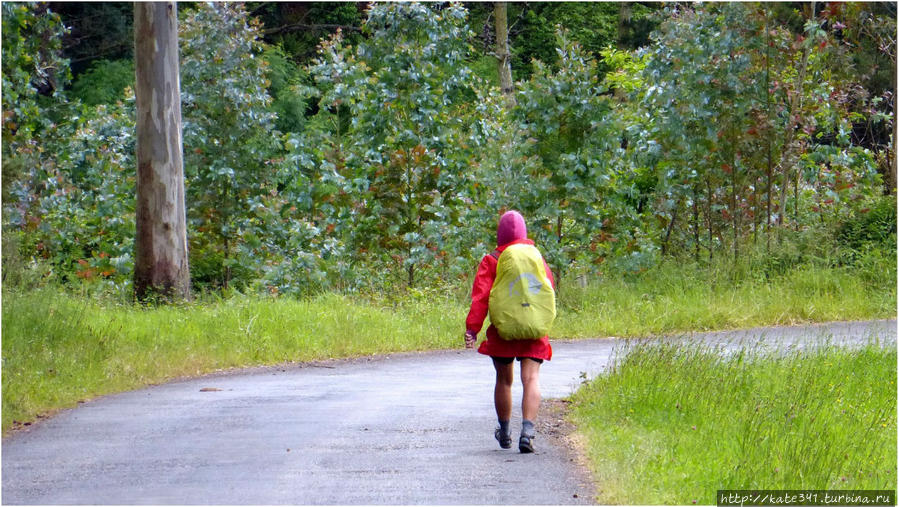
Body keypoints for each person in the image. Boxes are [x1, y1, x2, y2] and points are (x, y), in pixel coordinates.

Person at [464, 210, 555, 453]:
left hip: (503, 332)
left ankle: (504, 432)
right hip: (533, 329)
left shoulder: (493, 259)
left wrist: (472, 329)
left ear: (499, 234)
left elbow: (481, 298)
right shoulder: (536, 257)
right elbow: (548, 289)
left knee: (504, 380)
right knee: (531, 379)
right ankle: (527, 431)